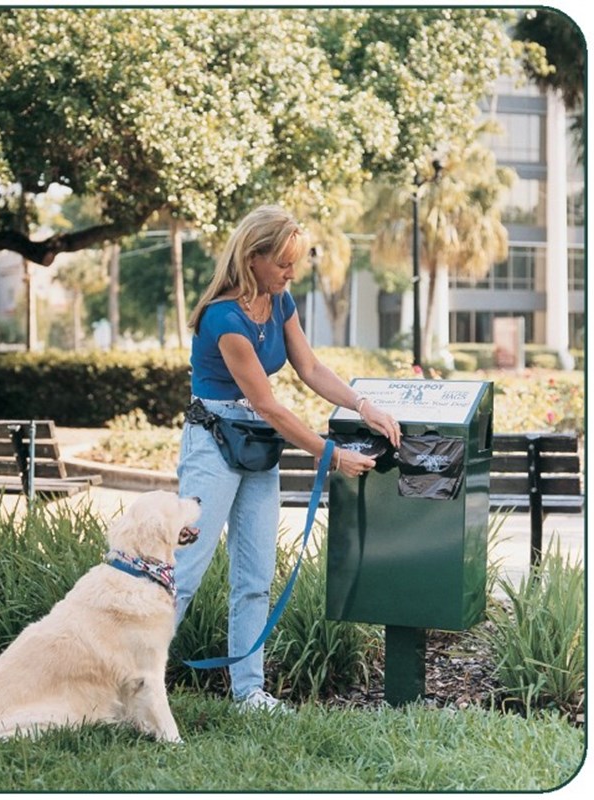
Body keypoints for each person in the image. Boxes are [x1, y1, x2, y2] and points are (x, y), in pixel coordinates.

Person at [174, 204, 402, 712]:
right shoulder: (223, 318)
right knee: (184, 570)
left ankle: (248, 693)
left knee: (255, 577)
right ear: (253, 257)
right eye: (282, 263)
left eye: (294, 264)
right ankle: (129, 683)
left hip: (254, 445)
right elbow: (270, 404)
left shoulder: (279, 301)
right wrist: (331, 455)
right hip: (213, 442)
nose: (290, 273)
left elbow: (311, 368)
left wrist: (365, 406)